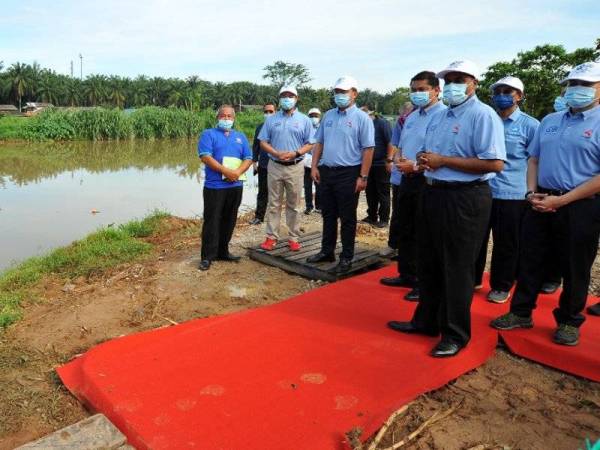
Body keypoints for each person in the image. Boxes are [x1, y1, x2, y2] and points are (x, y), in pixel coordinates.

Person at [388, 60, 506, 357]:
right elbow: (433, 155)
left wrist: (444, 162)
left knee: (457, 267)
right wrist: (424, 163)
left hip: (464, 198)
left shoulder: (483, 115)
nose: (453, 84)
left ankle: (455, 334)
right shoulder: (442, 117)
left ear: (473, 83)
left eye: (458, 79)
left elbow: (494, 163)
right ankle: (426, 320)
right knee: (428, 261)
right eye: (449, 79)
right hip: (433, 192)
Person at [491, 62, 600, 346]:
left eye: (586, 85)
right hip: (540, 198)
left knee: (575, 266)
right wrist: (531, 193)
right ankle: (521, 312)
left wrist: (562, 200)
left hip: (580, 204)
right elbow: (534, 159)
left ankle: (568, 320)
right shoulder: (551, 120)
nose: (577, 90)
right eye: (572, 84)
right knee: (530, 258)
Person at [380, 71, 446, 302]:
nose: (418, 94)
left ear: (437, 90)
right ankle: (406, 274)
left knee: (424, 233)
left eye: (422, 89)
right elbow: (401, 145)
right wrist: (396, 159)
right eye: (414, 89)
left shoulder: (443, 116)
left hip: (427, 179)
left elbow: (442, 153)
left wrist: (416, 166)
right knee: (405, 226)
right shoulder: (412, 116)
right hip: (405, 178)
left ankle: (422, 283)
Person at [474, 76, 540, 303]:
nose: (502, 95)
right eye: (498, 91)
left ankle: (502, 285)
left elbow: (535, 160)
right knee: (476, 238)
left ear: (519, 96)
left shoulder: (531, 126)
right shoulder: (485, 119)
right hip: (482, 189)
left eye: (508, 91)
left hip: (512, 193)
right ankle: (473, 278)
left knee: (506, 242)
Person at [308, 75, 375, 273]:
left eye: (344, 92)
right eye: (337, 92)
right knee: (328, 214)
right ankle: (326, 251)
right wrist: (314, 166)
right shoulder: (328, 116)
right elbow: (318, 142)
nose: (340, 95)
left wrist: (363, 177)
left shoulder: (362, 119)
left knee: (347, 217)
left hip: (349, 172)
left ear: (354, 93)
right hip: (327, 171)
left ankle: (347, 257)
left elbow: (368, 149)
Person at [258, 86, 314, 251]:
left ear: (296, 98)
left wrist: (295, 153)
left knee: (294, 204)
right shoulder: (271, 120)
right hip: (274, 165)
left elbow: (310, 143)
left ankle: (293, 237)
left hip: (295, 166)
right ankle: (271, 237)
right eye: (284, 96)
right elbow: (263, 141)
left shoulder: (304, 120)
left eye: (290, 96)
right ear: (279, 99)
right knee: (273, 203)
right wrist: (275, 152)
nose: (287, 99)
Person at [197, 105, 253, 271]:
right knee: (212, 220)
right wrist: (225, 171)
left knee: (230, 219)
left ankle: (223, 251)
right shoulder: (208, 134)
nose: (226, 119)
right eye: (223, 116)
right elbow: (205, 157)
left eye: (229, 116)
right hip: (215, 186)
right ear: (218, 117)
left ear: (234, 119)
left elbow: (248, 158)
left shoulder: (240, 137)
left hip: (236, 185)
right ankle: (207, 256)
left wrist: (236, 173)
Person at [360, 106, 393, 228]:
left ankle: (384, 218)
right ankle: (372, 216)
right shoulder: (364, 126)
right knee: (370, 191)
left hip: (381, 163)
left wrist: (389, 160)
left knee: (383, 191)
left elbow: (390, 142)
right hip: (369, 163)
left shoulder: (382, 123)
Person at [250, 103, 276, 225]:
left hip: (277, 165)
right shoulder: (260, 127)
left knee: (276, 193)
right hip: (263, 165)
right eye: (266, 112)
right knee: (262, 191)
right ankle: (259, 217)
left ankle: (274, 218)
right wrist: (254, 161)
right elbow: (256, 145)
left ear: (275, 112)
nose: (268, 114)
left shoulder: (279, 126)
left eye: (271, 111)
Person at [304, 107, 322, 214]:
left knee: (319, 184)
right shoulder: (305, 128)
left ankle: (319, 206)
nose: (314, 118)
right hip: (307, 162)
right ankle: (308, 206)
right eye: (311, 116)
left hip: (319, 162)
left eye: (316, 116)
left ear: (319, 117)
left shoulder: (322, 128)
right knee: (307, 186)